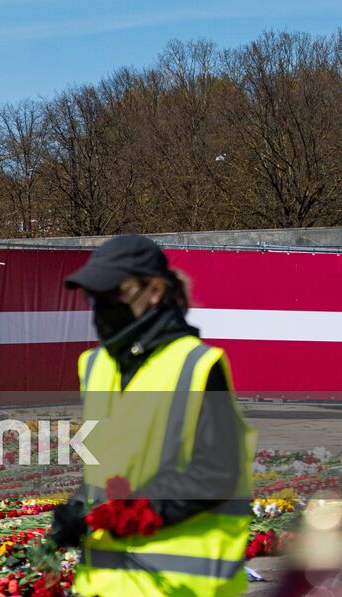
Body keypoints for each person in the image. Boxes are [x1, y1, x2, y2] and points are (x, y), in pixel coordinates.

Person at [49, 233, 256, 597]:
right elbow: (112, 467)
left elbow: (218, 475)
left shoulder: (196, 365)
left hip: (184, 585)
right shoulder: (97, 365)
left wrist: (123, 515)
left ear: (155, 291)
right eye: (94, 296)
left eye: (116, 293)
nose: (101, 306)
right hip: (111, 583)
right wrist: (79, 509)